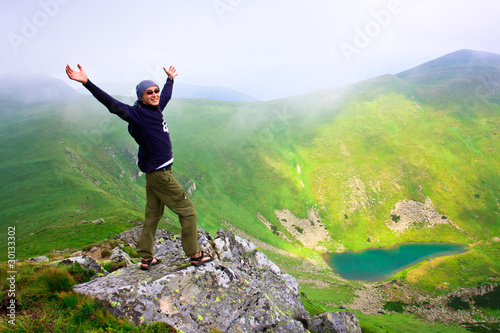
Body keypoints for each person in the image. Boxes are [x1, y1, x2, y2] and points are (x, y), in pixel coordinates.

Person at [66, 64, 214, 270]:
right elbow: (112, 104)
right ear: (141, 97)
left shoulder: (155, 108)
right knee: (188, 211)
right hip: (160, 175)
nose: (154, 95)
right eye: (149, 92)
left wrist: (170, 80)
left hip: (154, 174)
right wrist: (87, 83)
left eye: (155, 91)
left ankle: (146, 257)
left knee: (153, 215)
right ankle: (195, 254)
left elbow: (165, 97)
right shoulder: (138, 115)